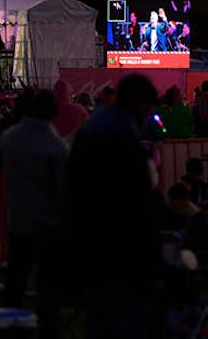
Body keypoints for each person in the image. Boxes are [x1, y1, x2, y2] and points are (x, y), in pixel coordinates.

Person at [66, 74, 162, 338]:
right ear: (137, 103)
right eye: (147, 108)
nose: (149, 115)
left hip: (93, 249)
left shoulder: (95, 130)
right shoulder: (121, 140)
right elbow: (138, 205)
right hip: (123, 253)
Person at [0, 89, 67, 339]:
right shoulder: (54, 145)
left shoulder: (10, 137)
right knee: (48, 282)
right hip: (47, 222)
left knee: (16, 276)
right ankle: (48, 327)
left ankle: (7, 324)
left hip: (18, 216)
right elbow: (61, 188)